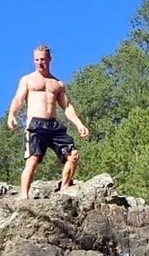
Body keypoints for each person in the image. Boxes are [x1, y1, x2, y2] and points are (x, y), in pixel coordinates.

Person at [7, 44, 90, 199]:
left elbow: (67, 106)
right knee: (32, 161)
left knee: (73, 155)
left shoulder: (57, 83)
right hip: (36, 126)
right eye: (36, 60)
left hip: (53, 126)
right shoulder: (28, 80)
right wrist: (12, 114)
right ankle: (23, 196)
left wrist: (79, 124)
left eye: (43, 59)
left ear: (49, 59)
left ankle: (64, 187)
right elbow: (18, 99)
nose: (39, 63)